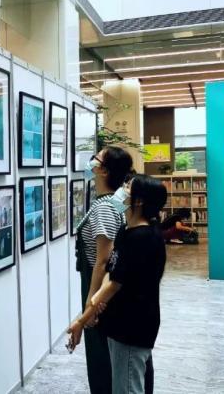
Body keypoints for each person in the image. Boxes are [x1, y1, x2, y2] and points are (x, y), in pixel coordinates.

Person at [68, 174, 168, 394]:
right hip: (118, 322)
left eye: (128, 187)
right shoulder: (126, 230)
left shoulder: (144, 238)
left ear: (139, 200)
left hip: (132, 327)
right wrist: (97, 301)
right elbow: (112, 270)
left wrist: (83, 319)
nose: (122, 189)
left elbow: (115, 283)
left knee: (128, 387)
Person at [75, 146, 141, 393]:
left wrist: (90, 305)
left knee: (101, 359)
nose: (91, 162)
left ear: (103, 170)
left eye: (96, 159)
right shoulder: (117, 203)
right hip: (109, 292)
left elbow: (102, 261)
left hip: (101, 293)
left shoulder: (104, 208)